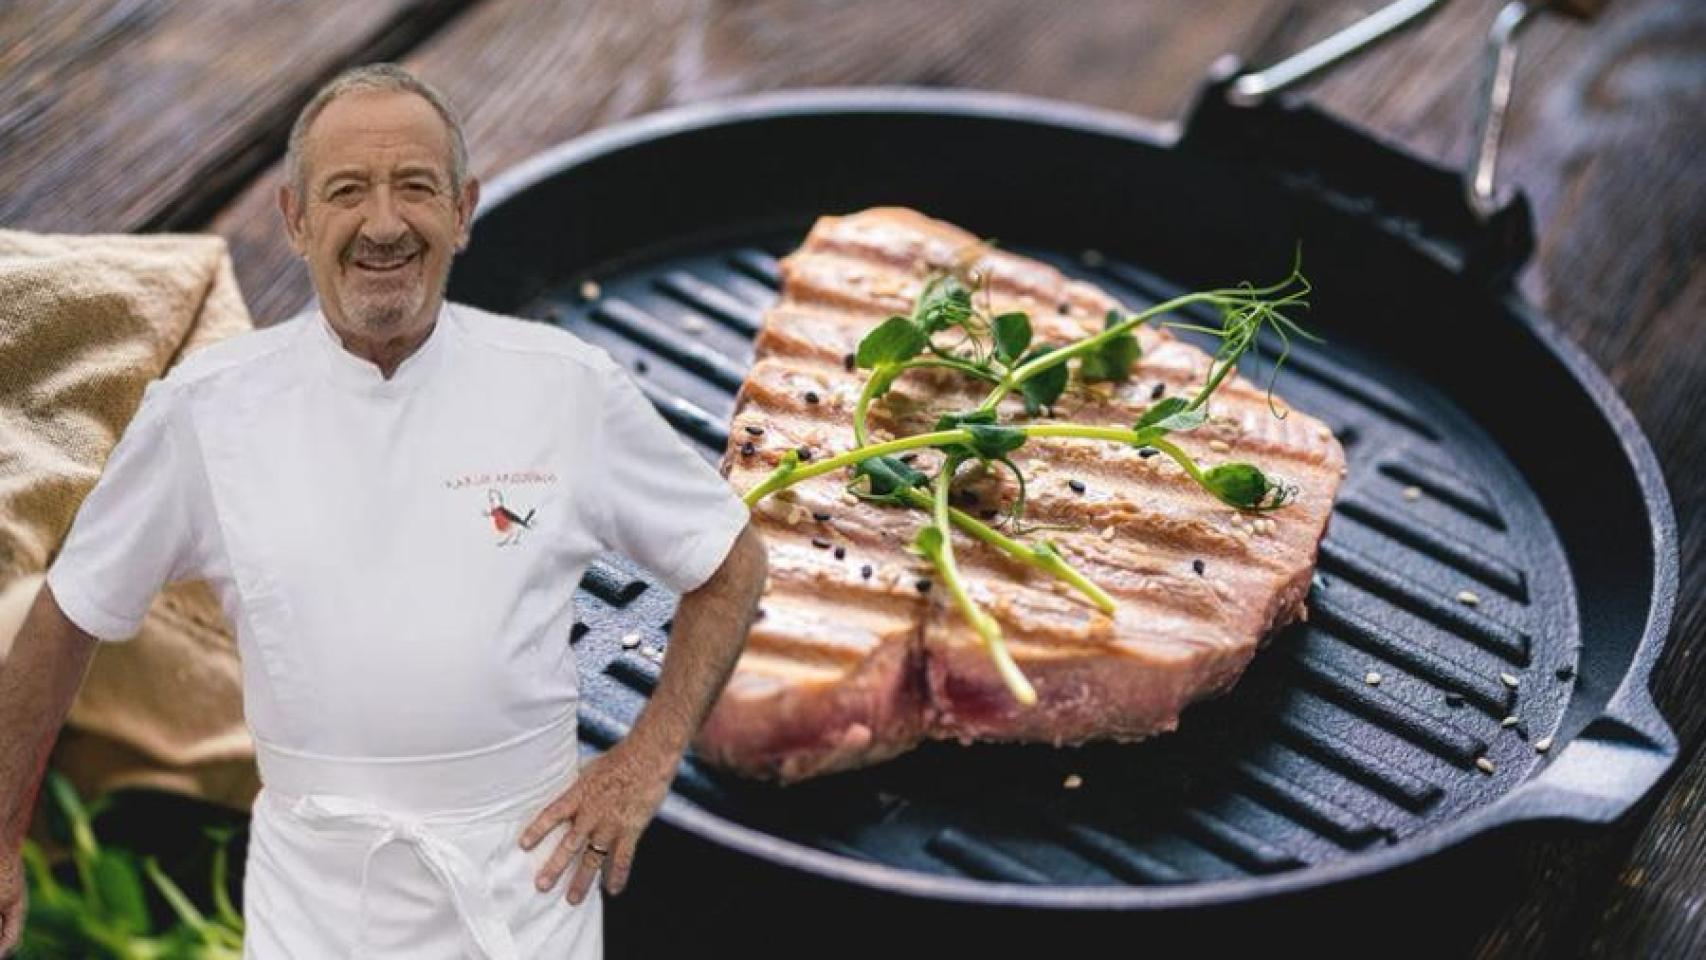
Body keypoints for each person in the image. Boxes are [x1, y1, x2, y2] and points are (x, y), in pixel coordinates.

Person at [0, 63, 766, 958]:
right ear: (293, 219)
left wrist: (644, 763)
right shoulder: (203, 409)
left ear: (463, 209)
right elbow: (67, 613)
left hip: (526, 883)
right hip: (315, 891)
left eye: (415, 187)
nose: (385, 223)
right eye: (347, 191)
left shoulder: (567, 387)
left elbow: (730, 559)